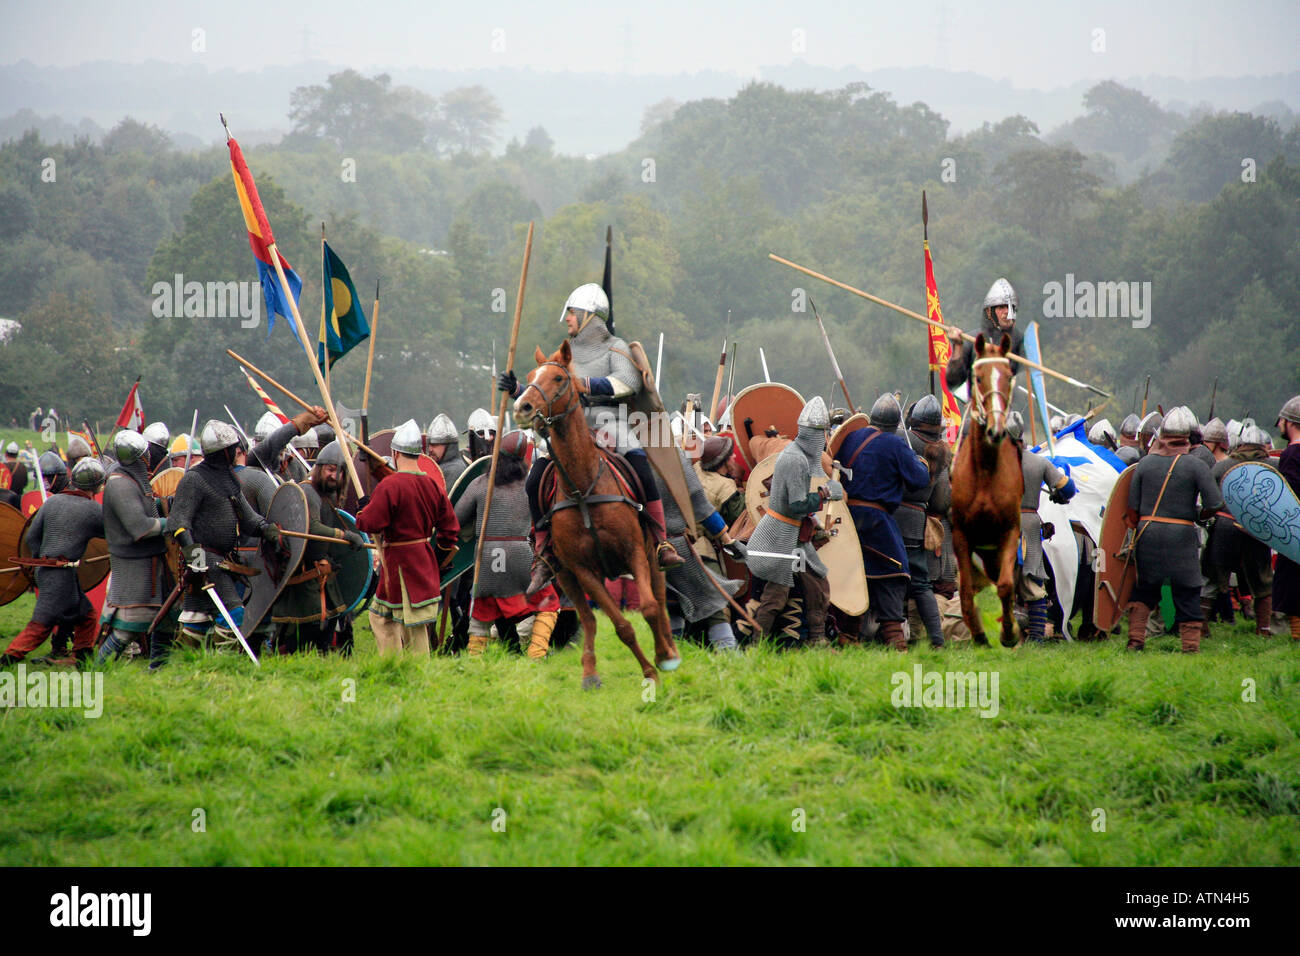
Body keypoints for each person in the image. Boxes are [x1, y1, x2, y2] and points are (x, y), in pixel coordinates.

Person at [498, 282, 685, 595]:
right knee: (533, 483)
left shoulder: (616, 348)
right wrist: (517, 390)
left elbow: (628, 382)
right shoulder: (563, 355)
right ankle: (544, 551)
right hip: (569, 426)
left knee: (642, 470)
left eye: (572, 312)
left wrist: (584, 382)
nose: (567, 319)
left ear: (589, 314)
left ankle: (661, 542)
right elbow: (546, 392)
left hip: (610, 422)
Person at [166, 421, 281, 660]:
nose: (237, 452)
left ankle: (181, 666)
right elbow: (178, 524)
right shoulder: (194, 479)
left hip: (222, 559)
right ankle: (223, 664)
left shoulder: (228, 479)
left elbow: (248, 519)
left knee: (197, 619)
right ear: (225, 451)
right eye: (233, 448)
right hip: (205, 558)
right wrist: (196, 559)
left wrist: (266, 529)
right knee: (234, 612)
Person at [355, 419, 460, 654]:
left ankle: (413, 672)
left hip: (400, 564)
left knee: (410, 625)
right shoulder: (432, 485)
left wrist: (364, 509)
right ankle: (395, 667)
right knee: (383, 617)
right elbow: (450, 529)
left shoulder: (391, 485)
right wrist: (438, 555)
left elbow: (369, 522)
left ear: (395, 453)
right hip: (422, 560)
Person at [837, 394, 932, 652]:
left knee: (854, 575)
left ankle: (848, 636)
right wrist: (921, 464)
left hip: (847, 518)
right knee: (893, 572)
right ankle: (894, 639)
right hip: (877, 521)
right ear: (894, 424)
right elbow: (919, 480)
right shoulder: (895, 444)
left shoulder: (851, 438)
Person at [453, 430, 560, 658]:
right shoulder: (530, 485)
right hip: (519, 555)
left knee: (481, 617)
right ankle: (536, 655)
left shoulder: (482, 483)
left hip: (489, 556)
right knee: (548, 604)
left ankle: (474, 662)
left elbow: (456, 519)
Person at [1124, 407, 1223, 653]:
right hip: (1181, 536)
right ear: (1188, 437)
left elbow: (1132, 509)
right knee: (1187, 590)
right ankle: (1190, 648)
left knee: (1145, 589)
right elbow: (1215, 504)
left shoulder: (1144, 464)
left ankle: (1136, 642)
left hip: (1147, 533)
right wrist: (1198, 515)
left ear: (1162, 435)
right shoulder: (1196, 465)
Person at [746, 397, 841, 647]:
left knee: (817, 584)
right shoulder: (794, 459)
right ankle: (756, 646)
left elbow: (798, 506)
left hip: (794, 533)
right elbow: (796, 504)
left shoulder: (801, 456)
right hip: (780, 535)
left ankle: (817, 641)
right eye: (822, 433)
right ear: (813, 433)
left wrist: (815, 524)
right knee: (775, 597)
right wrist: (825, 494)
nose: (824, 439)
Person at [0, 458, 106, 666]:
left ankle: (82, 656)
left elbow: (31, 538)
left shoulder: (52, 502)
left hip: (48, 571)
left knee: (86, 615)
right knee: (41, 623)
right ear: (97, 485)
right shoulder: (92, 510)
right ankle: (9, 659)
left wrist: (44, 558)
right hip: (60, 575)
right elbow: (113, 534)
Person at [272, 440, 366, 653]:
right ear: (320, 468)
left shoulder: (328, 495)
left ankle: (321, 658)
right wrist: (344, 535)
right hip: (304, 571)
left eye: (339, 472)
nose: (334, 476)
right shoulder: (308, 492)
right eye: (330, 470)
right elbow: (311, 527)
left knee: (330, 622)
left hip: (322, 571)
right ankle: (286, 658)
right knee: (304, 627)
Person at [97, 430, 173, 667]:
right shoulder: (120, 486)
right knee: (127, 629)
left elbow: (147, 509)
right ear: (142, 458)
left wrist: (168, 504)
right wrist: (171, 523)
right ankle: (97, 670)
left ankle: (159, 671)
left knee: (166, 620)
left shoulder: (133, 482)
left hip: (152, 564)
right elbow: (140, 527)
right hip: (134, 566)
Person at [1006, 411, 1077, 643]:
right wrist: (1058, 495)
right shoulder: (1039, 462)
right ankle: (1035, 638)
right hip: (1028, 523)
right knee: (1033, 587)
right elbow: (1067, 488)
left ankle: (1007, 637)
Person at [1203, 423, 1276, 636]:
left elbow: (1210, 499)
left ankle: (1200, 628)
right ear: (1263, 445)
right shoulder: (1273, 465)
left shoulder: (1222, 466)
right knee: (1262, 580)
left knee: (1212, 578)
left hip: (1224, 527)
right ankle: (1263, 629)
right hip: (1256, 528)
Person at [901, 395, 952, 647]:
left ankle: (889, 637)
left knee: (887, 577)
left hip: (893, 517)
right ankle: (937, 640)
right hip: (919, 520)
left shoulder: (903, 439)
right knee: (921, 584)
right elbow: (942, 502)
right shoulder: (943, 452)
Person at [945, 278, 1025, 392]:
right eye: (1001, 307)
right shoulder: (973, 340)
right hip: (978, 405)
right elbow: (953, 381)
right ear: (990, 312)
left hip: (1010, 405)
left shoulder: (1022, 342)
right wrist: (958, 346)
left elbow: (1026, 384)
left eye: (1010, 307)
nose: (1007, 312)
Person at [1273, 396, 1300, 641]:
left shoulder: (1292, 453)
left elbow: (1288, 495)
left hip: (1295, 528)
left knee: (1293, 581)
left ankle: (1297, 636)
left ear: (1289, 422)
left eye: (1281, 421)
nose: (1279, 425)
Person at [427, 414, 466, 487]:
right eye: (429, 445)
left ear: (449, 446)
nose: (430, 449)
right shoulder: (439, 467)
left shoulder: (455, 470)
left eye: (435, 445)